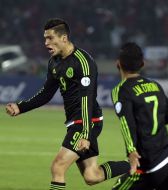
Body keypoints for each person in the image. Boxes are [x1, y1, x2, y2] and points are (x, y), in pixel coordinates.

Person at [5, 18, 129, 190]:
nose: (46, 43)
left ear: (64, 38)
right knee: (92, 176)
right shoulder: (54, 62)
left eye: (50, 38)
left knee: (58, 167)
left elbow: (87, 97)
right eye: (45, 38)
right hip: (76, 122)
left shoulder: (83, 62)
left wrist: (86, 133)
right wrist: (21, 107)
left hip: (87, 121)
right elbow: (46, 93)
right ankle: (136, 165)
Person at [110, 42, 168, 190]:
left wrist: (131, 151)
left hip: (149, 163)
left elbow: (127, 124)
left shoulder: (121, 90)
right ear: (143, 64)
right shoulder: (155, 85)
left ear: (118, 64)